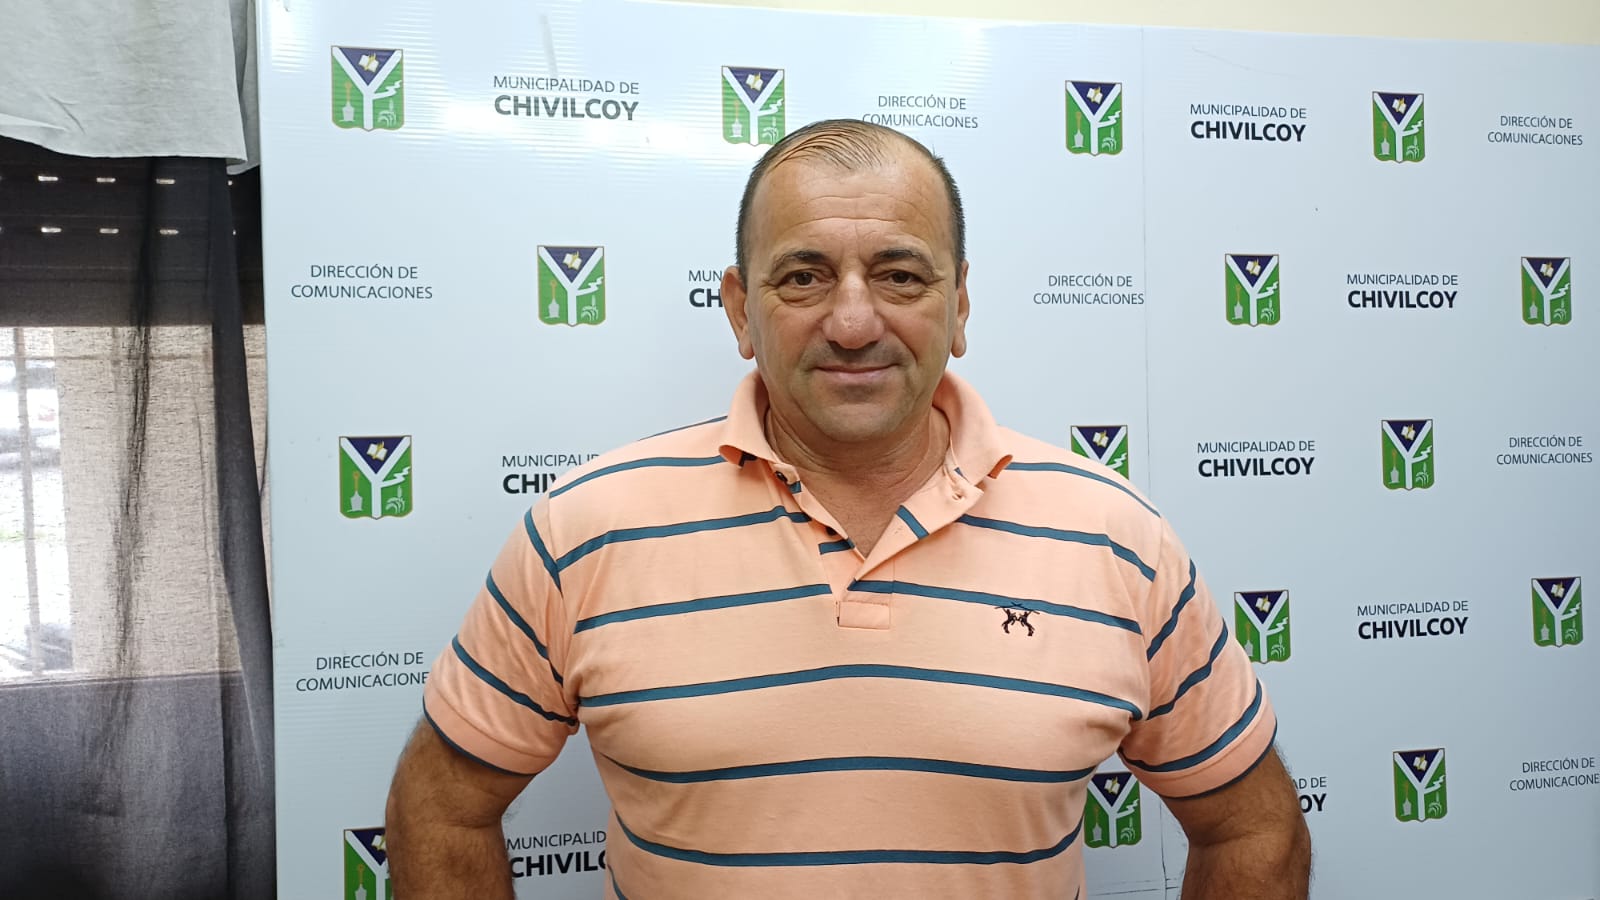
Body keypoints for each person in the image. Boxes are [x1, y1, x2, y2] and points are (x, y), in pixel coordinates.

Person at [385, 119, 1312, 899]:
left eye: (902, 275)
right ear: (739, 311)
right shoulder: (586, 530)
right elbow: (440, 807)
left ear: (960, 306)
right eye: (804, 276)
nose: (855, 321)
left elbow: (1253, 826)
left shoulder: (1117, 538)